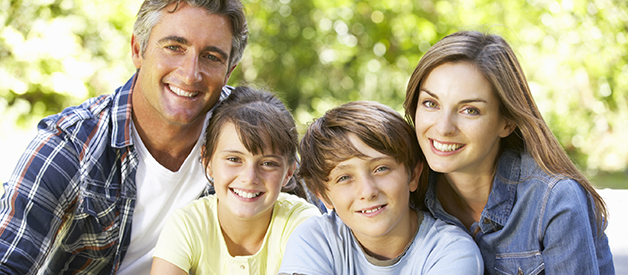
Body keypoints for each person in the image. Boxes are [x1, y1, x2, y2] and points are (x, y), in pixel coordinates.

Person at [0, 0, 248, 274]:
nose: (190, 74)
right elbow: (4, 263)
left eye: (211, 56)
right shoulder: (73, 145)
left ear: (228, 71)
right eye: (174, 47)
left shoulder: (250, 136)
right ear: (138, 49)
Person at [403, 31, 615, 274]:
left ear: (507, 122)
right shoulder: (407, 189)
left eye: (470, 110)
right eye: (431, 103)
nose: (443, 128)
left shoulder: (554, 200)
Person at [278, 101, 483, 274]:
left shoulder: (452, 251)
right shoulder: (314, 239)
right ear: (324, 195)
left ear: (413, 175)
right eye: (345, 177)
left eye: (381, 168)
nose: (367, 191)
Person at [150, 86, 320, 275]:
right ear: (208, 162)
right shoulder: (188, 225)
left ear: (289, 172)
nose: (249, 178)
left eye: (268, 163)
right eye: (234, 159)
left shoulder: (302, 223)